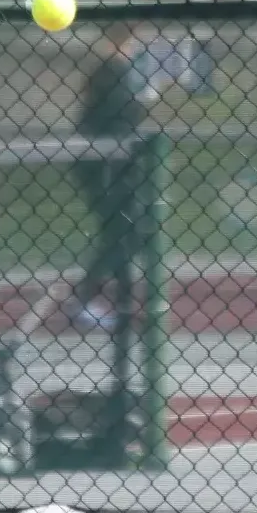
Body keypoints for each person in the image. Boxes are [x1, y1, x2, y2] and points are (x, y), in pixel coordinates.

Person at [67, 21, 155, 331]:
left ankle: (121, 303)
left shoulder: (116, 72)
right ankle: (87, 300)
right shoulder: (111, 72)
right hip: (104, 167)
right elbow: (117, 120)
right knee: (121, 232)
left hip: (113, 166)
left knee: (127, 232)